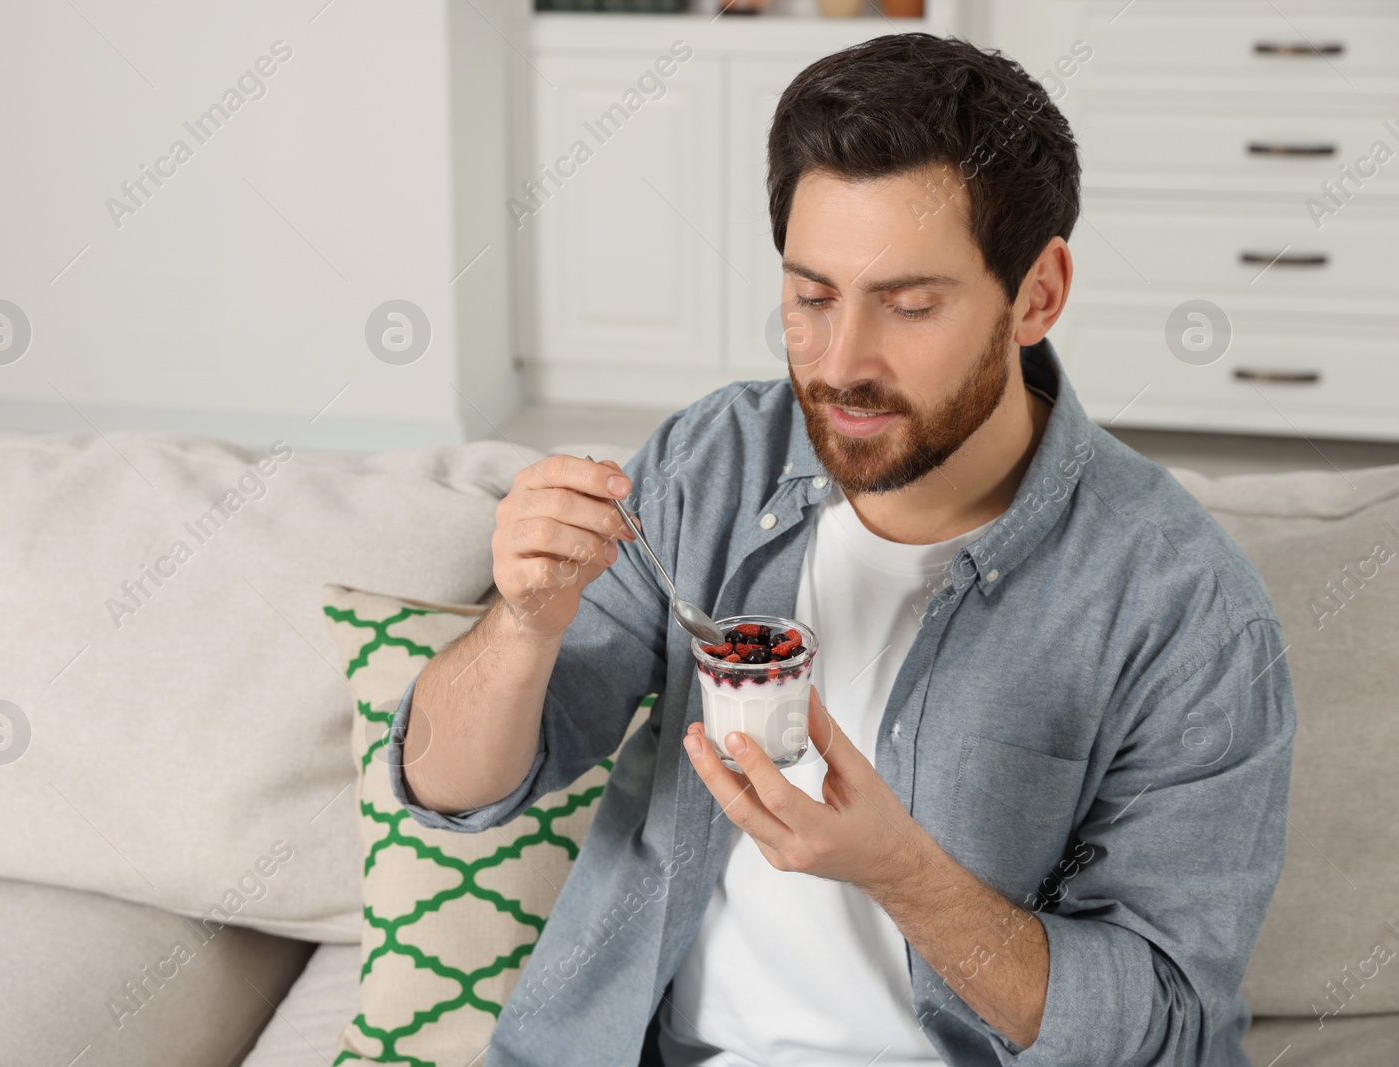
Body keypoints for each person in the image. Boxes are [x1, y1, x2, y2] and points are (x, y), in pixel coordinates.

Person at [387, 31, 1295, 1067]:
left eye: (910, 305)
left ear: (1036, 295)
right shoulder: (706, 467)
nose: (841, 363)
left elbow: (1168, 1027)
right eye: (810, 296)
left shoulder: (1184, 608)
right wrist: (522, 622)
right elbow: (452, 790)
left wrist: (900, 870)